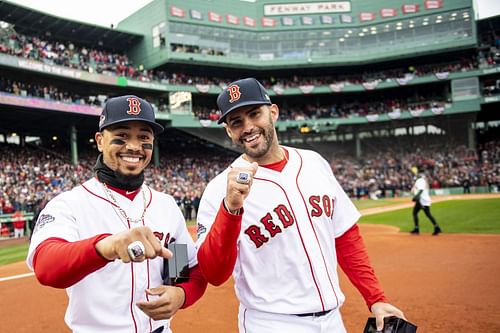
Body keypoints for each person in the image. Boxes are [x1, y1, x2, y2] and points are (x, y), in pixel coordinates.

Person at [195, 78, 406, 333]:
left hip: (332, 321)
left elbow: (345, 237)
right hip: (271, 324)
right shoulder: (219, 189)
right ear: (229, 131)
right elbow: (214, 274)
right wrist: (230, 210)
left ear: (273, 112)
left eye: (254, 114)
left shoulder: (314, 162)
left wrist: (376, 298)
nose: (248, 127)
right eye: (236, 122)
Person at [26, 95, 207, 333]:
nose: (133, 146)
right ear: (100, 141)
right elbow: (46, 266)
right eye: (121, 136)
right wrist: (105, 247)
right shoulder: (70, 204)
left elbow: (184, 270)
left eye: (144, 137)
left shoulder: (165, 205)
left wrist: (181, 293)